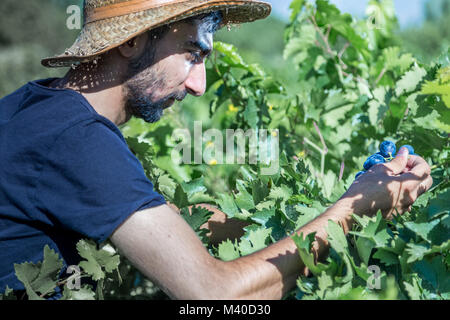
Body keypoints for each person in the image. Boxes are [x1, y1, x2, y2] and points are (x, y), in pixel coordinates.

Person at [0, 0, 433, 300]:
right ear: (131, 41)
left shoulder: (34, 106)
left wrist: (317, 211)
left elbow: (169, 224)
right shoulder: (76, 139)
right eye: (192, 53)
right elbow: (212, 295)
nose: (198, 85)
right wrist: (355, 212)